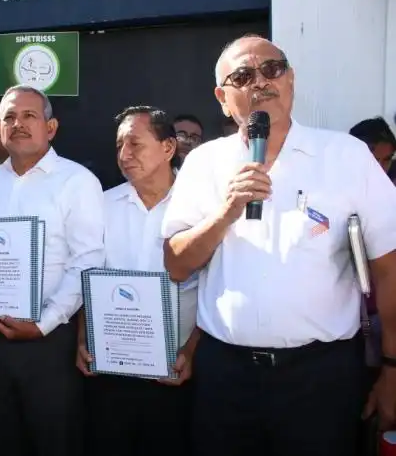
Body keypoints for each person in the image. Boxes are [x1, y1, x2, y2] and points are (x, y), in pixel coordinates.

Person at [161, 34, 396, 456]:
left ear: (290, 79)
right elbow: (176, 264)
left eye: (272, 69)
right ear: (222, 96)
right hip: (226, 378)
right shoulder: (203, 163)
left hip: (321, 378)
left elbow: (389, 267)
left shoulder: (346, 156)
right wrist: (226, 212)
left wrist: (394, 370)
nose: (261, 82)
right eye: (243, 75)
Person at [0, 84, 105, 456]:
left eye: (28, 116)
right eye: (8, 117)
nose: (17, 124)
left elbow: (87, 261)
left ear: (50, 128)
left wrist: (44, 323)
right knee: (2, 439)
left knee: (54, 439)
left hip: (49, 342)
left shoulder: (77, 182)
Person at [76, 106, 198, 456]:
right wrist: (83, 337)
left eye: (134, 144)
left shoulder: (200, 209)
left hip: (175, 373)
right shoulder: (102, 205)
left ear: (168, 148)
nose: (124, 155)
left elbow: (214, 287)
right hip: (111, 372)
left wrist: (191, 354)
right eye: (119, 146)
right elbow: (88, 277)